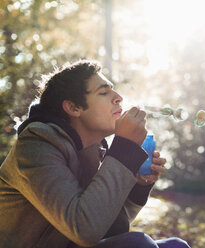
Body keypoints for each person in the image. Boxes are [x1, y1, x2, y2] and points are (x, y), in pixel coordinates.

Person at [0, 60, 190, 248]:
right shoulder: (37, 144)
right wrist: (124, 149)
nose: (118, 98)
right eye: (104, 92)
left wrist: (138, 186)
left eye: (113, 90)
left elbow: (108, 225)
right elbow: (84, 229)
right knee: (138, 243)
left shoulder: (95, 151)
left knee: (176, 245)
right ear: (74, 108)